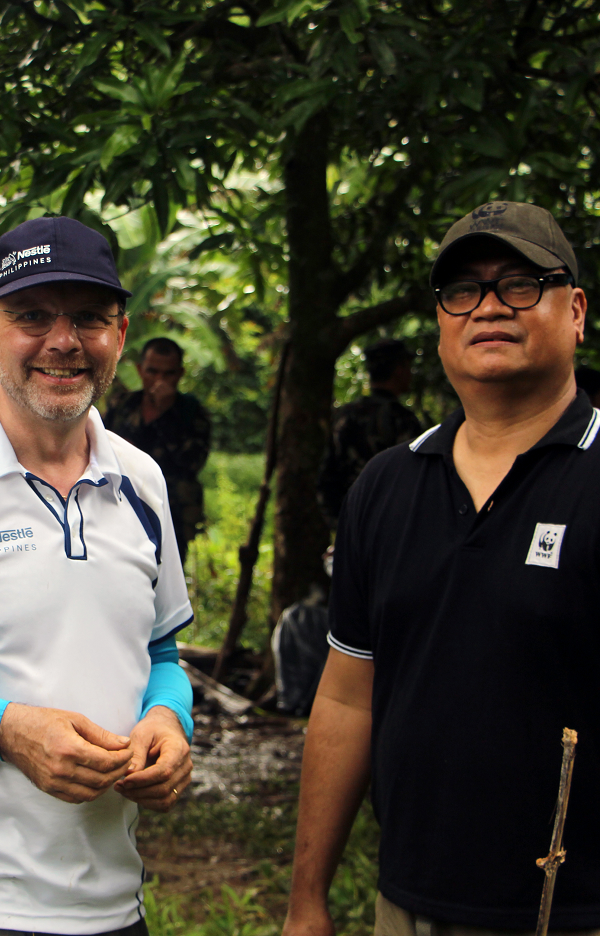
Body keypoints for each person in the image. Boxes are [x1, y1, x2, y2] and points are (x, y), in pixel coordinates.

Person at [283, 201, 600, 936]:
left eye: (520, 283)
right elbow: (346, 700)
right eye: (463, 290)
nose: (488, 306)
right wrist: (307, 900)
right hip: (407, 905)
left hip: (571, 912)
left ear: (576, 311)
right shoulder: (387, 486)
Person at [0, 216, 194, 934]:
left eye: (88, 317)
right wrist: (6, 731)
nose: (63, 340)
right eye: (32, 316)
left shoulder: (141, 481)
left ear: (120, 332)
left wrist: (169, 719)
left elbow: (161, 654)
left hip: (117, 906)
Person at [104, 336, 211, 563]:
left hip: (171, 516)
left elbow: (193, 462)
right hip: (119, 509)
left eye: (168, 374)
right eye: (152, 372)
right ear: (141, 371)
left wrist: (166, 415)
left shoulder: (191, 413)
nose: (159, 380)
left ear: (180, 374)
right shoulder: (122, 405)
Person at [317, 338, 422, 528]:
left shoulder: (346, 414)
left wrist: (339, 526)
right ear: (399, 369)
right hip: (389, 527)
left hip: (352, 523)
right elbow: (415, 482)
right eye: (407, 366)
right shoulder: (400, 419)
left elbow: (327, 476)